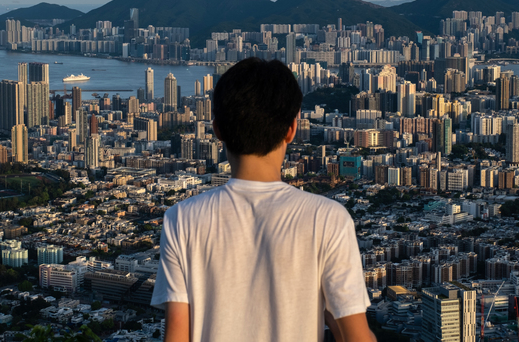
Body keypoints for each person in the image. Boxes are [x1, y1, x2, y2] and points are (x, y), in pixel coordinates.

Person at [151, 57, 375, 342]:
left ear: (217, 129)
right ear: (291, 130)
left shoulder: (180, 219)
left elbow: (176, 336)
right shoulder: (327, 219)